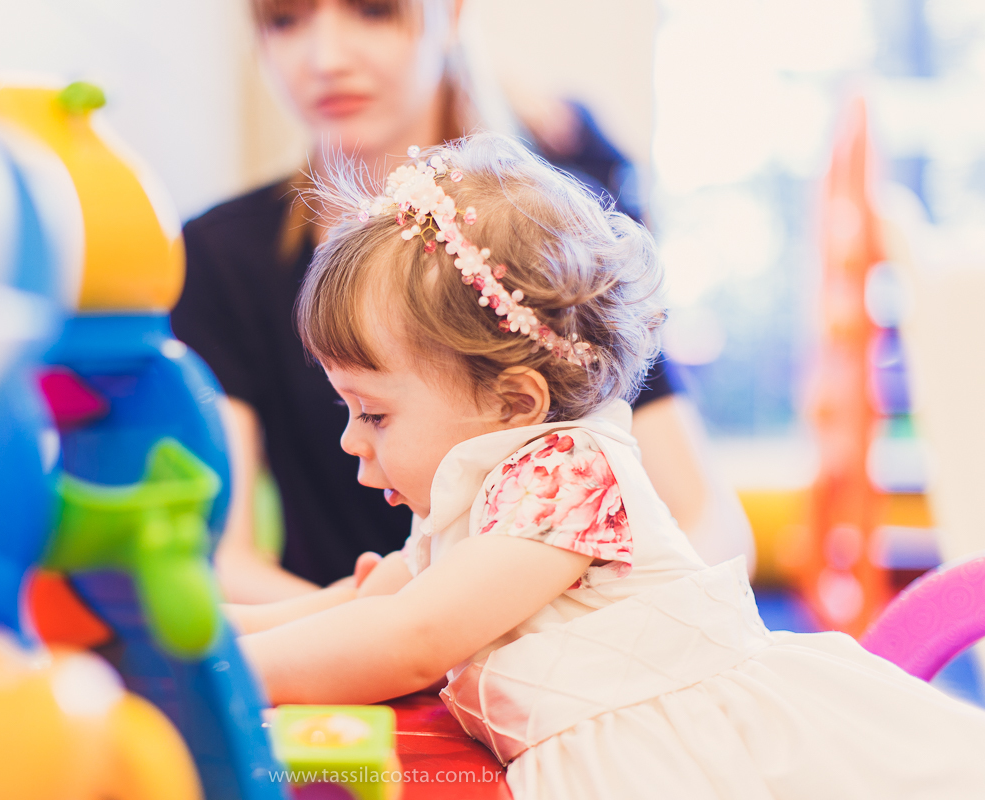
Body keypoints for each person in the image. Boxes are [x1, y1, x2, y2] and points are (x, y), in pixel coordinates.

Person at [228, 134, 985, 799]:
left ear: (516, 404)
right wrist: (199, 635)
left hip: (693, 762)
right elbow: (352, 602)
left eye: (374, 414)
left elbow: (411, 637)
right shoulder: (469, 504)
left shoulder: (567, 476)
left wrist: (224, 673)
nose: (351, 443)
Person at [172, 0, 752, 603]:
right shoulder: (221, 256)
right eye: (286, 22)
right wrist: (376, 643)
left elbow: (706, 517)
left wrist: (603, 642)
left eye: (372, 12)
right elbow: (224, 560)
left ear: (449, 15)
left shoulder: (555, 238)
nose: (326, 59)